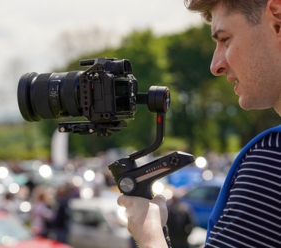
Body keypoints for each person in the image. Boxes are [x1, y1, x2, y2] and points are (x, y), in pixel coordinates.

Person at [117, 0, 281, 247]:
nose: (216, 66)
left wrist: (149, 233)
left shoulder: (271, 161)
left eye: (225, 39)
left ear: (277, 20)